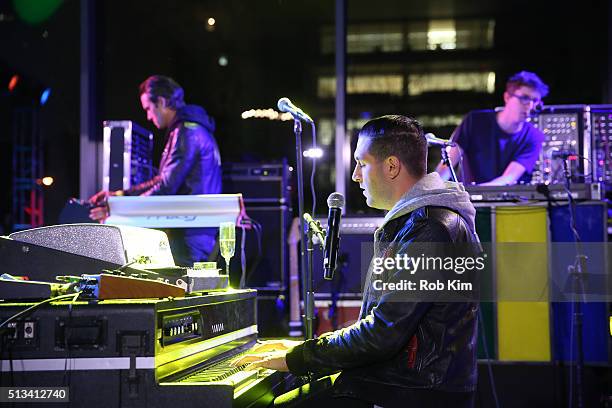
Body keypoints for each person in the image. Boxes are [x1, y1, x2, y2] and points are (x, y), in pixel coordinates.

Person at [234, 115, 481, 407]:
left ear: (391, 166)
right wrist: (304, 350)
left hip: (415, 390)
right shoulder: (420, 223)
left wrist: (299, 357)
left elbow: (382, 334)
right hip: (404, 381)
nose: (355, 176)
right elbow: (381, 325)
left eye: (362, 164)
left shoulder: (430, 230)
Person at [89, 75, 222, 265]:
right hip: (194, 231)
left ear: (161, 101)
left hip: (190, 234)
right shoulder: (191, 129)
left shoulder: (187, 132)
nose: (148, 116)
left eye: (148, 109)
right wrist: (120, 195)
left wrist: (119, 210)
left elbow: (166, 186)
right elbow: (162, 180)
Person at [436, 70, 549, 185]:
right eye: (524, 98)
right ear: (507, 97)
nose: (530, 106)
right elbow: (448, 162)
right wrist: (433, 189)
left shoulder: (534, 136)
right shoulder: (475, 121)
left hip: (504, 201)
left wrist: (476, 195)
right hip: (465, 199)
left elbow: (508, 178)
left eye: (535, 101)